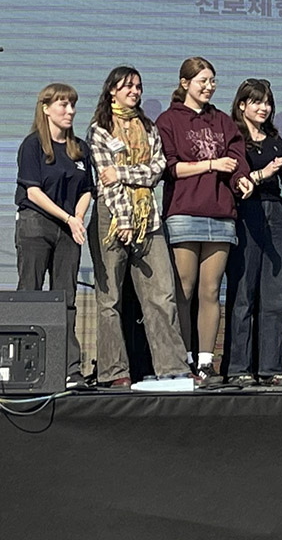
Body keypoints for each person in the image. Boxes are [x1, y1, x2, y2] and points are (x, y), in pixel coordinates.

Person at [87, 67, 191, 387]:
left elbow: (157, 169)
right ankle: (114, 371)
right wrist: (124, 220)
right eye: (127, 86)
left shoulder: (148, 126)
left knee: (162, 293)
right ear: (112, 91)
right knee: (110, 300)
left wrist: (123, 172)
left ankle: (172, 367)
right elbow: (106, 180)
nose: (134, 91)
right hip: (112, 216)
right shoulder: (99, 129)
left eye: (138, 86)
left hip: (148, 216)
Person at [156, 57, 251, 384]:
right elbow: (170, 168)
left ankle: (206, 361)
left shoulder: (223, 121)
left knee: (211, 290)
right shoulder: (168, 120)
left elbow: (237, 161)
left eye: (212, 81)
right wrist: (211, 164)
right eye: (202, 81)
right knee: (183, 288)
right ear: (185, 83)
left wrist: (242, 179)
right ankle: (182, 358)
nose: (209, 87)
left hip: (220, 213)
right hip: (184, 211)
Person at [15, 83, 94, 388]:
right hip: (37, 225)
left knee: (66, 298)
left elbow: (87, 189)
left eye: (73, 105)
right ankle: (24, 367)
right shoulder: (33, 145)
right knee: (31, 293)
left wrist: (78, 218)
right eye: (63, 105)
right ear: (46, 108)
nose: (70, 111)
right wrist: (68, 217)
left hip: (69, 230)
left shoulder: (79, 148)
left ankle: (69, 368)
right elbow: (33, 191)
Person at [222, 79, 282, 387]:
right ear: (242, 105)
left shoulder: (275, 140)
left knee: (275, 295)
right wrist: (261, 174)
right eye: (257, 102)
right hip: (246, 212)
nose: (264, 108)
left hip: (276, 213)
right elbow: (233, 179)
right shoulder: (234, 139)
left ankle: (271, 368)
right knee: (243, 292)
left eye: (267, 102)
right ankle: (238, 367)